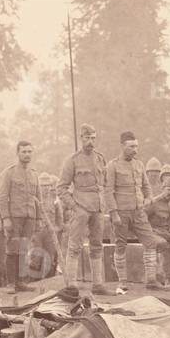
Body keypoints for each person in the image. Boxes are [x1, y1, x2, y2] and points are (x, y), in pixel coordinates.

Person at [57, 124, 110, 295]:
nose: (90, 142)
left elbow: (105, 184)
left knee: (97, 245)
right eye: (87, 138)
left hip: (98, 208)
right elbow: (61, 188)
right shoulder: (72, 161)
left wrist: (104, 204)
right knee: (74, 246)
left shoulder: (100, 159)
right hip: (81, 208)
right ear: (81, 139)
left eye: (93, 138)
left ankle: (98, 284)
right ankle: (71, 285)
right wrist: (74, 207)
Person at [106, 131, 161, 291]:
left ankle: (151, 280)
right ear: (122, 146)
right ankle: (122, 281)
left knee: (150, 242)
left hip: (139, 211)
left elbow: (146, 186)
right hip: (121, 212)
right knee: (120, 245)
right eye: (131, 147)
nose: (135, 150)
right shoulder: (113, 166)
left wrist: (149, 197)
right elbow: (108, 191)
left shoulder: (139, 164)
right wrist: (113, 213)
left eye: (136, 146)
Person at [0, 140, 41, 293]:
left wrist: (39, 218)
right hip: (14, 217)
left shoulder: (34, 174)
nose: (27, 155)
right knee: (12, 249)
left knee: (23, 249)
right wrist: (5, 218)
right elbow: (2, 197)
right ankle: (10, 283)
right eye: (24, 152)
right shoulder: (8, 173)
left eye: (29, 152)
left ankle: (21, 282)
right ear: (17, 153)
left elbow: (38, 198)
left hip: (30, 217)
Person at [144, 173, 170, 289]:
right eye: (168, 190)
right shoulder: (153, 203)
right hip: (153, 233)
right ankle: (167, 278)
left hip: (167, 233)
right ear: (162, 189)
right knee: (163, 245)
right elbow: (142, 219)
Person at [32, 172, 63, 278]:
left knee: (50, 256)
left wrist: (57, 228)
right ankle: (35, 280)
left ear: (50, 186)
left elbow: (59, 218)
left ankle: (49, 279)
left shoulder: (54, 200)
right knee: (36, 256)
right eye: (43, 186)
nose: (45, 188)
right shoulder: (35, 200)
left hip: (50, 232)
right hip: (37, 232)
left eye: (47, 185)